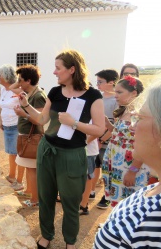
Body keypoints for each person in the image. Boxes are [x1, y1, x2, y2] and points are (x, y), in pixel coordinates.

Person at [17, 50, 105, 249]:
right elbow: (42, 119)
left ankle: (70, 241)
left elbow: (100, 129)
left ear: (72, 69)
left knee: (70, 200)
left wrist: (74, 123)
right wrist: (26, 105)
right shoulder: (55, 92)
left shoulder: (93, 95)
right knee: (46, 196)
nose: (54, 72)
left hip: (72, 154)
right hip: (47, 150)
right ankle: (46, 235)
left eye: (58, 68)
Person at [94, 78, 161, 248]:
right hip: (117, 162)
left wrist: (132, 169)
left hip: (126, 165)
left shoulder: (151, 220)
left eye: (139, 118)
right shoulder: (151, 194)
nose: (133, 127)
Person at [101, 75, 149, 208]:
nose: (115, 95)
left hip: (130, 167)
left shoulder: (140, 114)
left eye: (119, 92)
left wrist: (133, 171)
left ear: (134, 93)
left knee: (130, 205)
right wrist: (108, 124)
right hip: (118, 165)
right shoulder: (125, 110)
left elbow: (144, 145)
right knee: (118, 204)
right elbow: (121, 135)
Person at [10, 64, 47, 207]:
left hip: (33, 138)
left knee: (32, 170)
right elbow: (12, 88)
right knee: (29, 169)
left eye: (21, 80)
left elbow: (39, 120)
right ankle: (30, 192)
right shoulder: (31, 94)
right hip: (26, 136)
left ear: (28, 81)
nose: (18, 83)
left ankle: (35, 200)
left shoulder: (38, 96)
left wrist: (23, 115)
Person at [94, 69, 119, 209]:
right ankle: (91, 191)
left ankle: (106, 195)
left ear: (111, 82)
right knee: (94, 166)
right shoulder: (98, 97)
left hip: (107, 141)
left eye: (100, 82)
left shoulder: (117, 100)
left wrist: (102, 140)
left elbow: (115, 126)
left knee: (107, 171)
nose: (98, 84)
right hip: (95, 139)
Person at [0, 64, 24, 191]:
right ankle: (12, 176)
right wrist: (0, 120)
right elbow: (1, 106)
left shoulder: (17, 90)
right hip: (7, 125)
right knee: (10, 152)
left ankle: (19, 181)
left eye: (0, 75)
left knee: (18, 153)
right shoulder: (3, 90)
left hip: (16, 125)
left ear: (6, 77)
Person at [79, 131, 98, 215]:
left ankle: (83, 206)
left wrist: (84, 142)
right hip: (77, 150)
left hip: (88, 152)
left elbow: (97, 132)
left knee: (87, 178)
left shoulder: (93, 117)